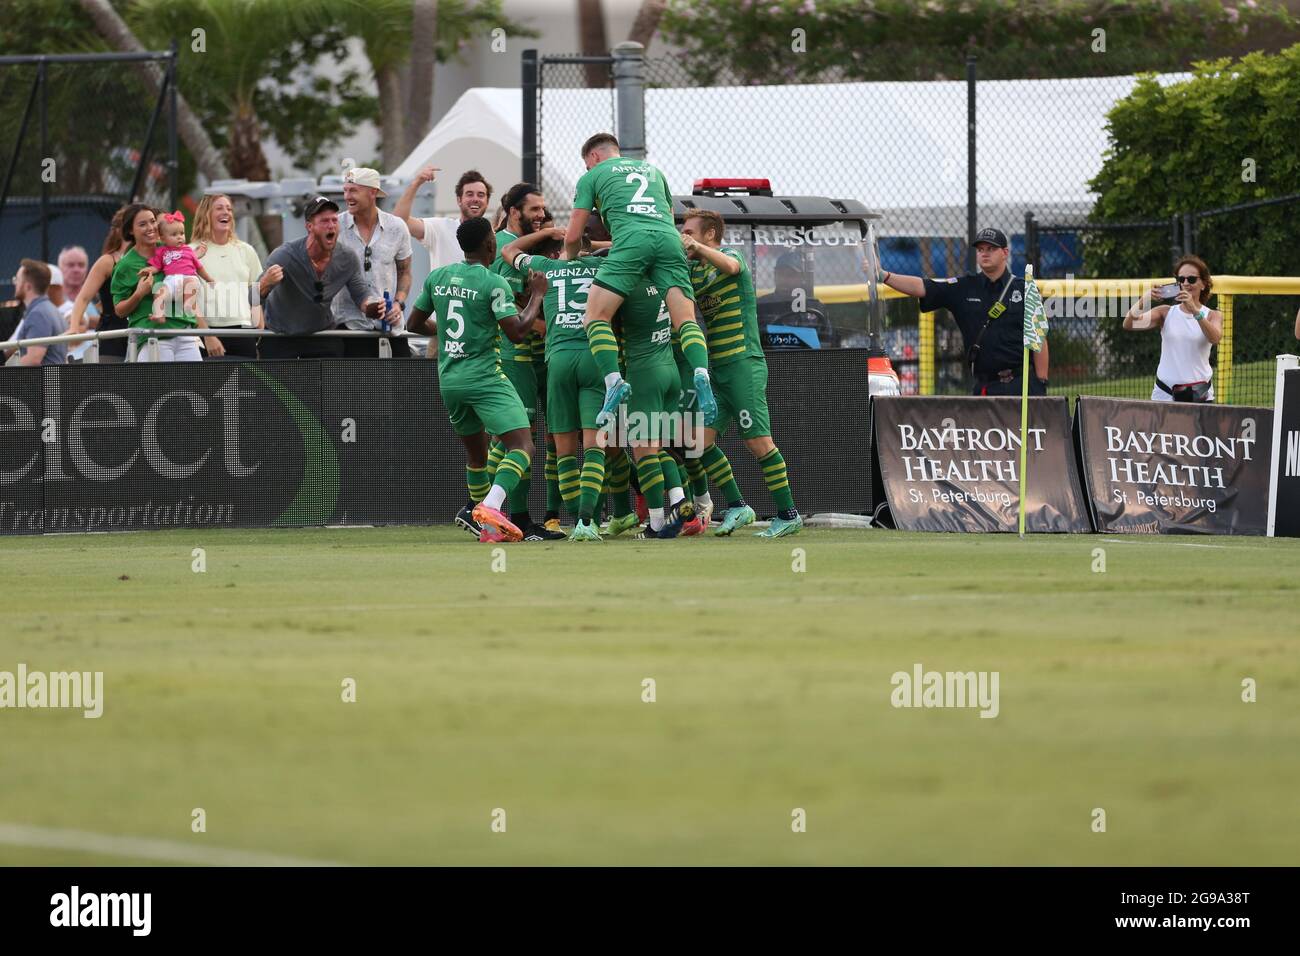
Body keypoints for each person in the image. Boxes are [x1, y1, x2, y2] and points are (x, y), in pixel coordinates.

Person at [563, 133, 716, 429]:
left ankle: (613, 381)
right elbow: (668, 216)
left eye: (586, 165)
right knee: (685, 320)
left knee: (595, 316)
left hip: (631, 240)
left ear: (593, 158)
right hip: (670, 240)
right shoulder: (654, 171)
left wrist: (571, 258)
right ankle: (701, 372)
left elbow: (571, 236)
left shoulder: (593, 175)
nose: (587, 170)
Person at [406, 217, 538, 542]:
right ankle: (492, 506)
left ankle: (487, 530)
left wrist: (448, 333)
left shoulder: (438, 277)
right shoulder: (493, 282)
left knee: (477, 457)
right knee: (523, 445)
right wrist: (537, 295)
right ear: (489, 244)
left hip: (450, 380)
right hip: (484, 378)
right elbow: (518, 332)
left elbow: (413, 323)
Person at [681, 209, 803, 538]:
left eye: (689, 232)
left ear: (709, 234)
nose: (684, 236)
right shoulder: (692, 268)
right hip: (716, 369)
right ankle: (737, 506)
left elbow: (731, 267)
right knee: (697, 442)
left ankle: (788, 513)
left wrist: (696, 247)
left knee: (758, 442)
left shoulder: (731, 255)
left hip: (743, 364)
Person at [503, 228, 619, 541]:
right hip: (596, 358)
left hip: (559, 361)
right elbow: (630, 246)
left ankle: (573, 520)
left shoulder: (548, 268)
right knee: (595, 446)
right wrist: (593, 246)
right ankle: (587, 521)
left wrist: (550, 234)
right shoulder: (603, 267)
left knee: (564, 451)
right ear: (589, 245)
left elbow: (509, 250)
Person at [483, 182, 563, 540]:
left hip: (542, 357)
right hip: (513, 355)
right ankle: (504, 513)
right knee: (517, 438)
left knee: (555, 435)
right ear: (514, 212)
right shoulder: (500, 246)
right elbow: (504, 301)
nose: (542, 215)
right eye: (534, 210)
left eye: (543, 210)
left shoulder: (536, 247)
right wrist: (542, 323)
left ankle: (549, 518)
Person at [880, 227, 1050, 395]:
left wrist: (1041, 383)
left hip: (1021, 386)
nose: (984, 253)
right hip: (985, 388)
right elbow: (923, 287)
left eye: (991, 249)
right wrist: (884, 275)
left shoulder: (1024, 288)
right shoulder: (965, 287)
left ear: (1005, 252)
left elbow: (1038, 337)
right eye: (980, 249)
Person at [258, 196, 395, 360]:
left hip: (321, 334)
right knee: (281, 386)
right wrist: (265, 283)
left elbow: (361, 295)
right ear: (310, 227)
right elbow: (250, 296)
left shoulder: (346, 257)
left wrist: (373, 307)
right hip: (281, 336)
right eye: (324, 221)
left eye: (334, 220)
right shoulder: (285, 255)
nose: (331, 225)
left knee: (331, 382)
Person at [110, 204, 220, 363]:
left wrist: (207, 334)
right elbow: (120, 310)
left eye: (152, 221)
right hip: (153, 336)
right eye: (142, 224)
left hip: (185, 333)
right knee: (160, 387)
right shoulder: (125, 265)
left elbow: (188, 288)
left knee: (195, 386)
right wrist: (139, 293)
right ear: (130, 231)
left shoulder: (171, 247)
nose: (151, 227)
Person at [333, 166, 413, 358]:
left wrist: (398, 304)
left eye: (353, 190)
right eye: (345, 190)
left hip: (390, 327)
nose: (347, 196)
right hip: (348, 327)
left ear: (372, 192)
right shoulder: (335, 226)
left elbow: (405, 273)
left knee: (403, 386)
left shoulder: (397, 227)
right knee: (354, 388)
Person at [1123, 255, 1223, 402]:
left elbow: (1215, 338)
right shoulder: (1166, 312)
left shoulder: (1213, 315)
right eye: (1181, 280)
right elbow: (1129, 324)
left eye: (1192, 279)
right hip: (1164, 394)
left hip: (1199, 394)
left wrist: (1195, 310)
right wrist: (1145, 299)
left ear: (1203, 284)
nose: (1186, 283)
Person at [191, 193, 264, 359]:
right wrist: (207, 336)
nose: (226, 213)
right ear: (206, 214)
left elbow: (254, 289)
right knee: (211, 386)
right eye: (219, 208)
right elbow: (187, 299)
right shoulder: (190, 251)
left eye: (229, 209)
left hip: (244, 333)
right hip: (207, 331)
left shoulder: (246, 250)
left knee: (245, 385)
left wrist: (258, 324)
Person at [393, 167, 493, 268]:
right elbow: (400, 221)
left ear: (487, 202)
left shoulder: (493, 236)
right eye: (469, 194)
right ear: (459, 200)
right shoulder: (440, 228)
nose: (475, 199)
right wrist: (417, 182)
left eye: (481, 195)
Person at [67, 206, 129, 362]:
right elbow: (83, 298)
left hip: (141, 333)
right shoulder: (107, 261)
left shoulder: (150, 259)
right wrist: (74, 327)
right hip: (113, 336)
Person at [139, 210, 217, 326]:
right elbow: (157, 266)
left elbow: (199, 267)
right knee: (159, 290)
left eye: (182, 233)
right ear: (163, 238)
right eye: (174, 235)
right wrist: (149, 270)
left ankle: (188, 305)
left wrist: (209, 278)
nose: (179, 237)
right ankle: (160, 315)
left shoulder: (188, 250)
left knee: (191, 283)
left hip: (187, 277)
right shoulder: (162, 251)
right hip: (171, 281)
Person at [756, 249, 831, 343]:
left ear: (802, 278)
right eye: (780, 274)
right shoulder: (761, 306)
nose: (784, 280)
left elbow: (827, 343)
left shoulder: (817, 308)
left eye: (790, 275)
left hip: (808, 357)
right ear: (775, 275)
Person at [3, 260, 67, 366]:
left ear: (28, 286)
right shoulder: (49, 310)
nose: (15, 283)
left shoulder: (38, 314)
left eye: (17, 280)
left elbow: (33, 359)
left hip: (42, 381)